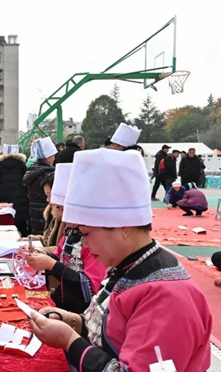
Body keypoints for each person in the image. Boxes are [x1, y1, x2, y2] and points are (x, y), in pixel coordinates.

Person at [27, 148, 211, 371]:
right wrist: (70, 320)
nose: (84, 245)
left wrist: (69, 341)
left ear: (124, 227)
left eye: (86, 234)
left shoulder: (166, 296)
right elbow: (106, 331)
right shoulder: (125, 267)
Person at [23, 164, 107, 313]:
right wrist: (41, 254)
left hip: (81, 311)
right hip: (64, 301)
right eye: (57, 208)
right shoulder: (71, 230)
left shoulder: (95, 238)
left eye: (63, 208)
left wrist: (51, 265)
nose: (63, 214)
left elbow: (89, 287)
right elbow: (59, 254)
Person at [23, 137, 56, 235]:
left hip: (33, 208)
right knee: (46, 235)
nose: (54, 158)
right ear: (47, 157)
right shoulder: (49, 173)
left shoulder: (32, 170)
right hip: (46, 208)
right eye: (53, 156)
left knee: (37, 234)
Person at [0, 151, 30, 236]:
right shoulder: (21, 164)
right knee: (21, 220)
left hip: (5, 196)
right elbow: (26, 180)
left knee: (8, 219)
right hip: (20, 196)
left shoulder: (0, 165)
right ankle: (23, 238)